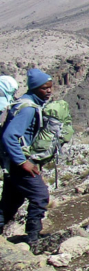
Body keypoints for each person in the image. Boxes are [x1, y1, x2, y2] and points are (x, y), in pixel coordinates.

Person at [0, 69, 54, 246]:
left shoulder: (25, 103)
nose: (48, 91)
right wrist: (23, 162)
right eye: (44, 88)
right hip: (19, 163)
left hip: (12, 162)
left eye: (50, 87)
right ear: (34, 88)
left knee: (10, 203)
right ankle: (33, 238)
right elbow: (9, 136)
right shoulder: (28, 109)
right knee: (39, 195)